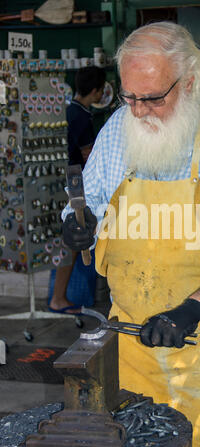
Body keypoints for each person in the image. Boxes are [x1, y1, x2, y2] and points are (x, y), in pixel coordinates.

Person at [61, 22, 200, 447]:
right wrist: (78, 224)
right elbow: (88, 200)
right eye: (129, 97)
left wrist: (193, 308)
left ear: (190, 83)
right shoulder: (117, 132)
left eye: (153, 98)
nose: (139, 111)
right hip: (133, 345)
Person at [48, 66, 106, 314]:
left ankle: (58, 296)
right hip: (76, 186)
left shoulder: (67, 110)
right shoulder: (82, 117)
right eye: (101, 91)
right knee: (72, 244)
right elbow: (89, 157)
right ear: (95, 91)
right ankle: (58, 298)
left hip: (61, 181)